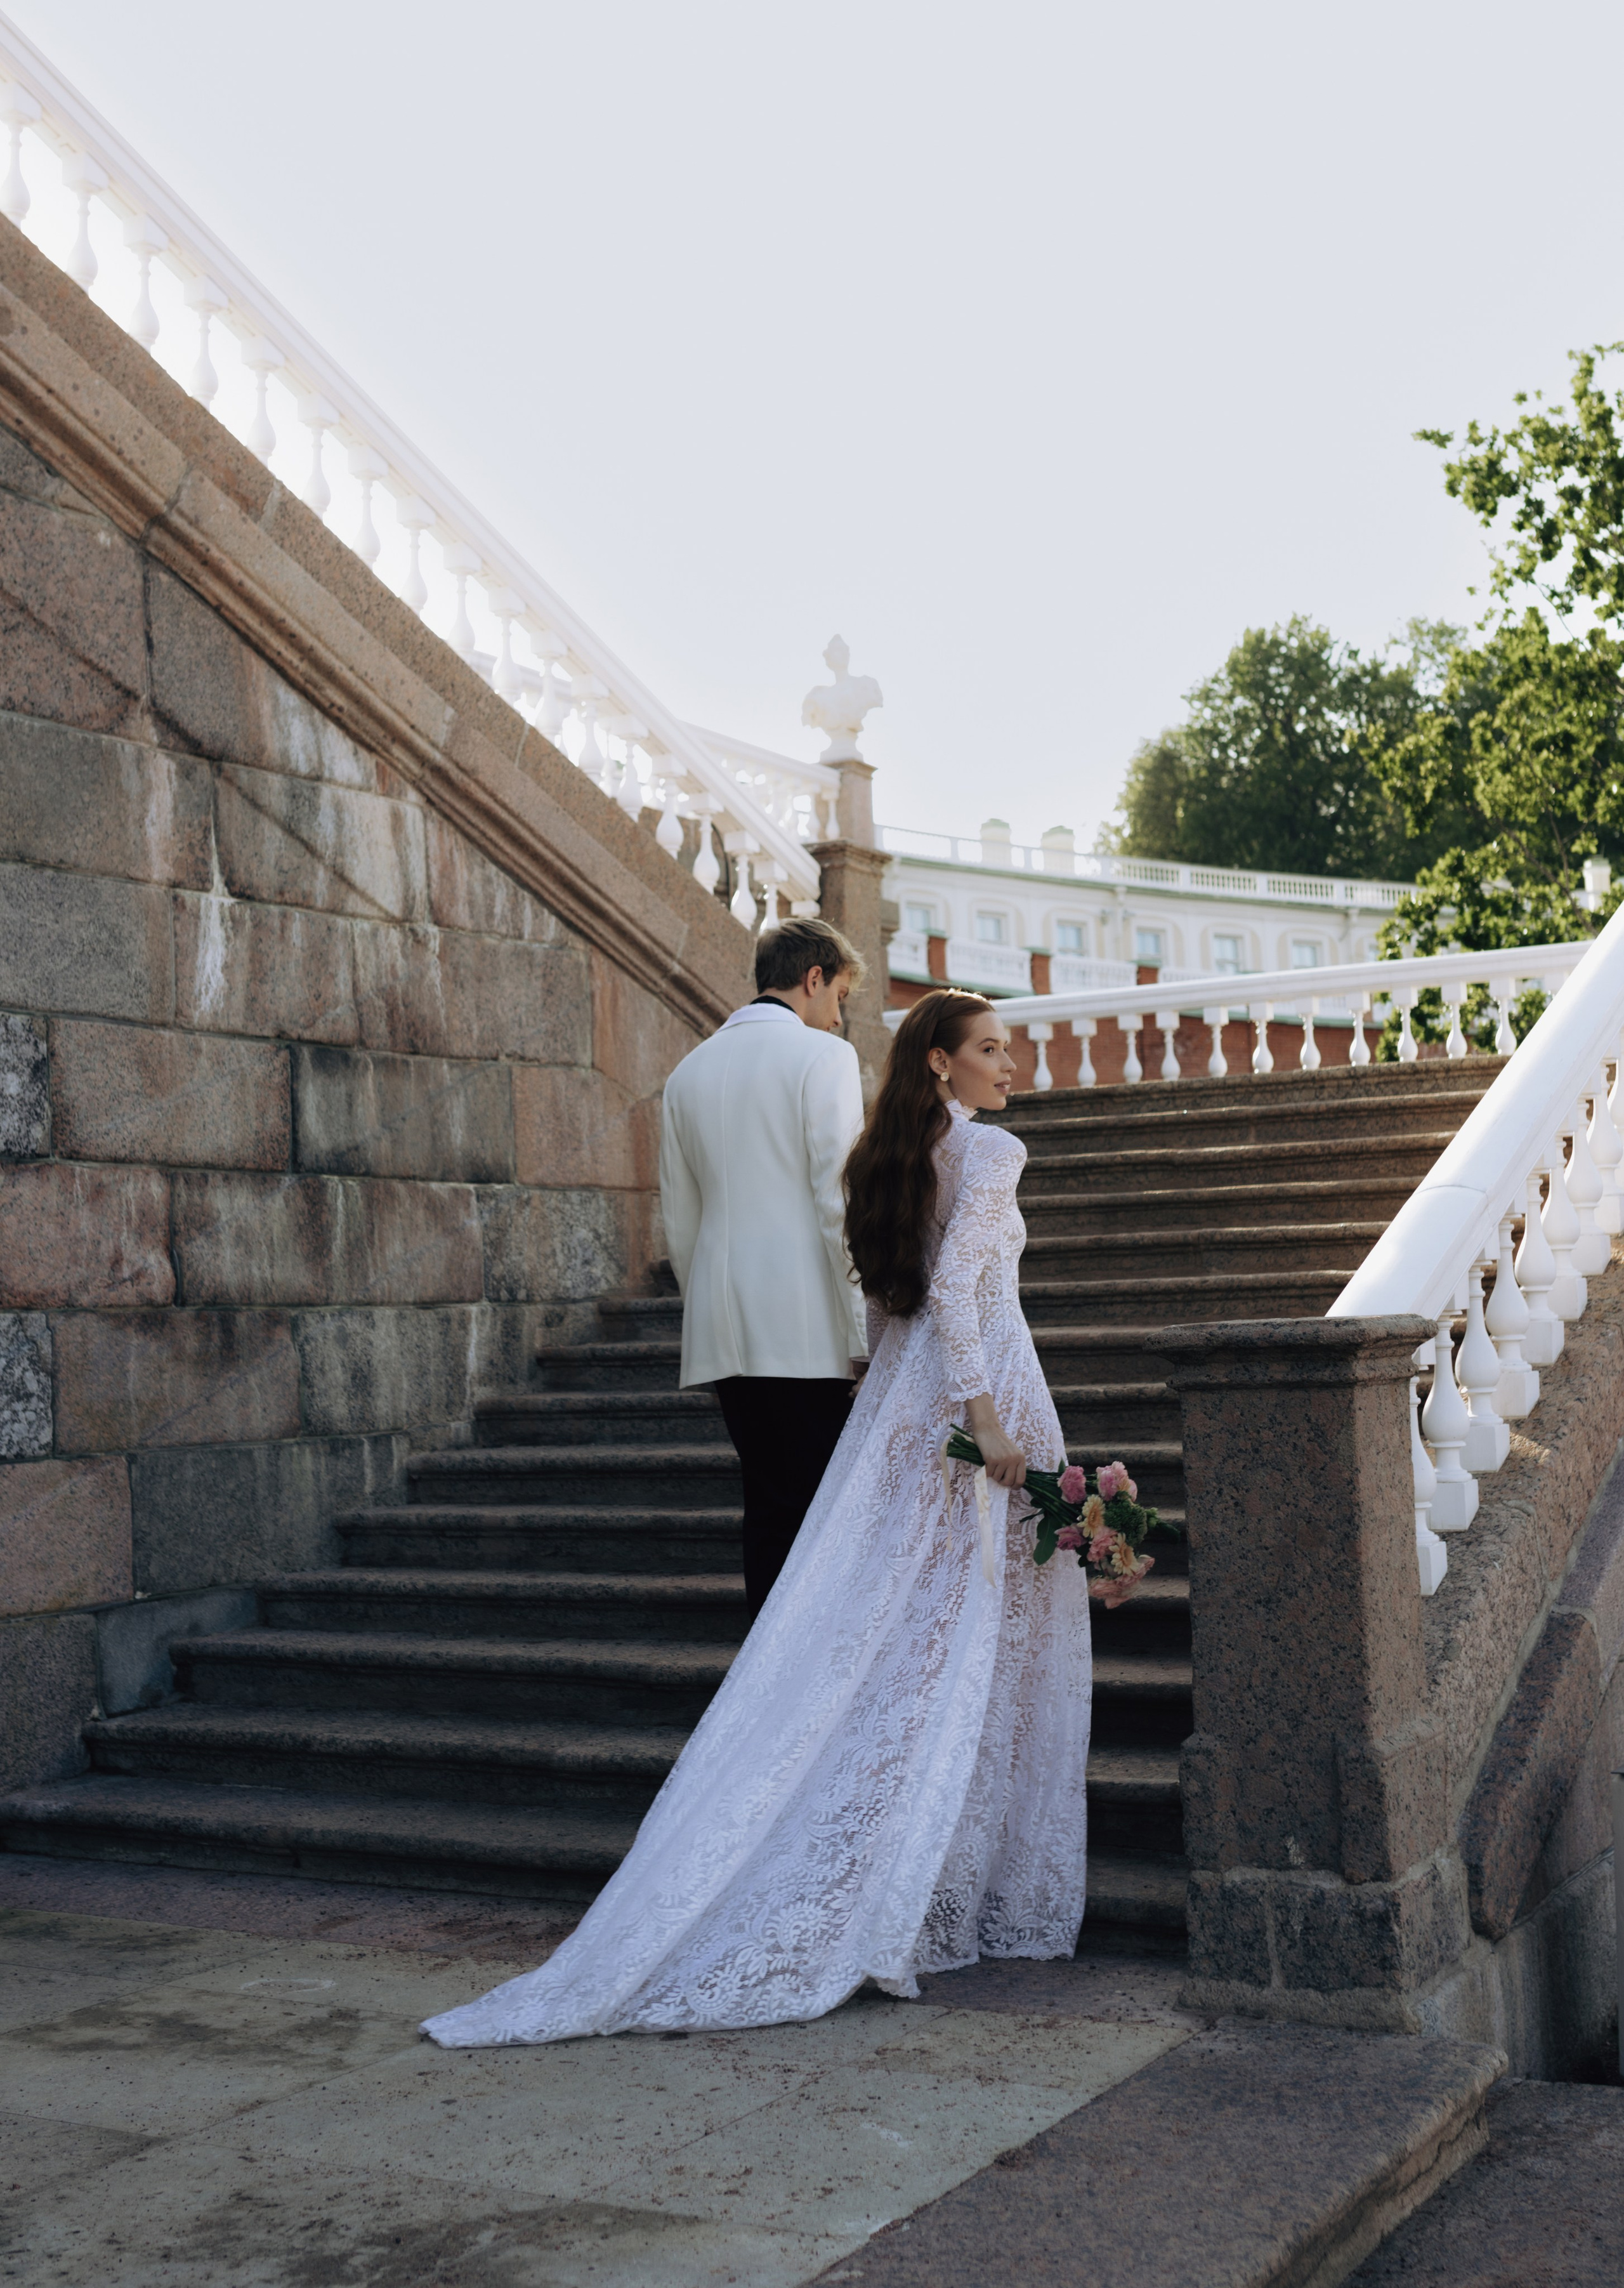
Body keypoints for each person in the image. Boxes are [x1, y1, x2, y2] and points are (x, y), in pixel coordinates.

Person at [421, 989, 1090, 2046]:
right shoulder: (993, 1152)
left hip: (910, 1396)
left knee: (916, 1639)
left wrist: (892, 1396)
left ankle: (921, 1879)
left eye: (1009, 1049)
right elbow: (957, 1294)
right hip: (977, 1394)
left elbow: (888, 1301)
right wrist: (986, 1420)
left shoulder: (895, 1155)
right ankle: (914, 1888)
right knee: (958, 1644)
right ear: (939, 1066)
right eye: (992, 1050)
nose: (1012, 1066)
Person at [658, 916, 870, 1619]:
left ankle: (764, 1696)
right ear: (812, 980)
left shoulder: (686, 1072)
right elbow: (834, 1201)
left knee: (769, 1511)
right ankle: (809, 1698)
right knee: (821, 1516)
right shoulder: (822, 1059)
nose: (838, 1016)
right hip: (804, 1322)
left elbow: (681, 1224)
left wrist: (709, 1316)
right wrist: (861, 1330)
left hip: (723, 1326)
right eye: (839, 995)